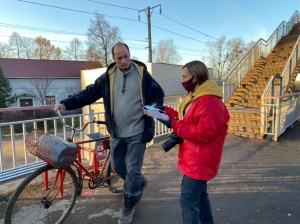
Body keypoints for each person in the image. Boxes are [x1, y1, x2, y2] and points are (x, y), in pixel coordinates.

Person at [54, 42, 165, 224]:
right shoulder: (108, 76)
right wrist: (66, 104)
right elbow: (89, 93)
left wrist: (154, 105)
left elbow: (158, 93)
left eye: (125, 56)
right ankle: (138, 182)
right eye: (119, 58)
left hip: (138, 130)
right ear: (113, 59)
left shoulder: (142, 73)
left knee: (132, 169)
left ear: (130, 54)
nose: (123, 61)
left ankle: (128, 206)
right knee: (118, 166)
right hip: (117, 132)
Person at [145, 60, 229, 224]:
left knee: (188, 200)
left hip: (200, 160)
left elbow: (204, 133)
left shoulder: (209, 101)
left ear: (196, 77)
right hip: (195, 158)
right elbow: (187, 119)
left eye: (185, 76)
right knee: (200, 198)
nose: (182, 80)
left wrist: (172, 123)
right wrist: (163, 111)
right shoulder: (196, 96)